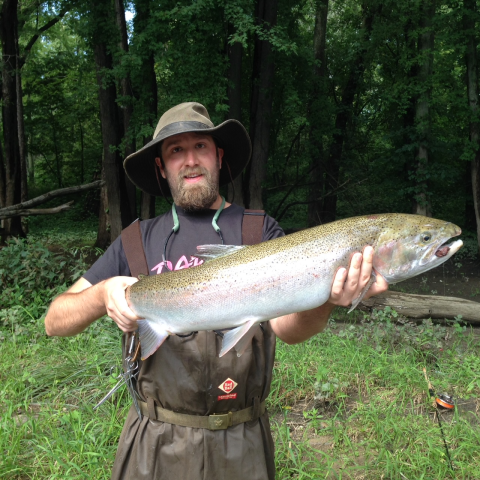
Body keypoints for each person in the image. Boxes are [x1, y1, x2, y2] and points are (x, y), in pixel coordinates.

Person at [45, 102, 388, 480]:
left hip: (242, 443)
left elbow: (290, 330)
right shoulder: (134, 242)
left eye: (201, 147)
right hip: (155, 443)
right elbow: (55, 320)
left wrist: (325, 301)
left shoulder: (260, 234)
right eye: (176, 150)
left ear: (219, 157)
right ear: (161, 166)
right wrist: (102, 294)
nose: (190, 160)